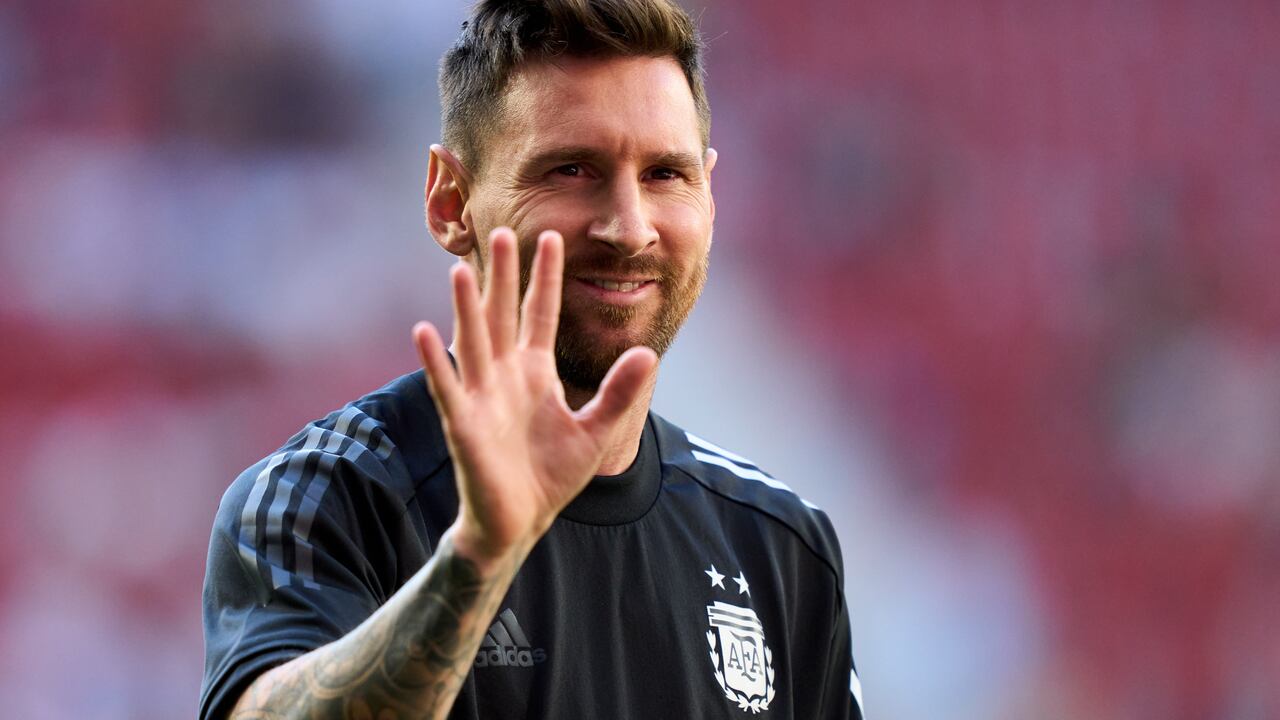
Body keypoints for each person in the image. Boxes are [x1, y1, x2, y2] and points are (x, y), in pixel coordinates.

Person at [199, 1, 864, 718]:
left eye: (665, 175)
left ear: (710, 194)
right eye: (572, 169)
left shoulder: (780, 546)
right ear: (450, 203)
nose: (629, 227)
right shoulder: (324, 499)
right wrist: (478, 560)